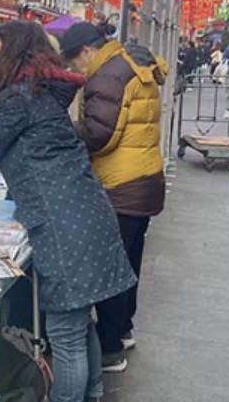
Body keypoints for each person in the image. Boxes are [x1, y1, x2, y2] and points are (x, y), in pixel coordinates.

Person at [0, 21, 135, 402]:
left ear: (14, 49)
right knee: (82, 323)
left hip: (62, 224)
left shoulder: (19, 96)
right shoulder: (44, 94)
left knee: (67, 334)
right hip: (87, 213)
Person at [60, 22, 168, 373]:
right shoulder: (130, 63)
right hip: (145, 177)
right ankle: (122, 330)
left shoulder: (107, 74)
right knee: (129, 260)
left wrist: (61, 128)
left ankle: (109, 348)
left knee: (110, 267)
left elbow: (98, 135)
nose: (76, 70)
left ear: (88, 52)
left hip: (121, 184)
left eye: (75, 62)